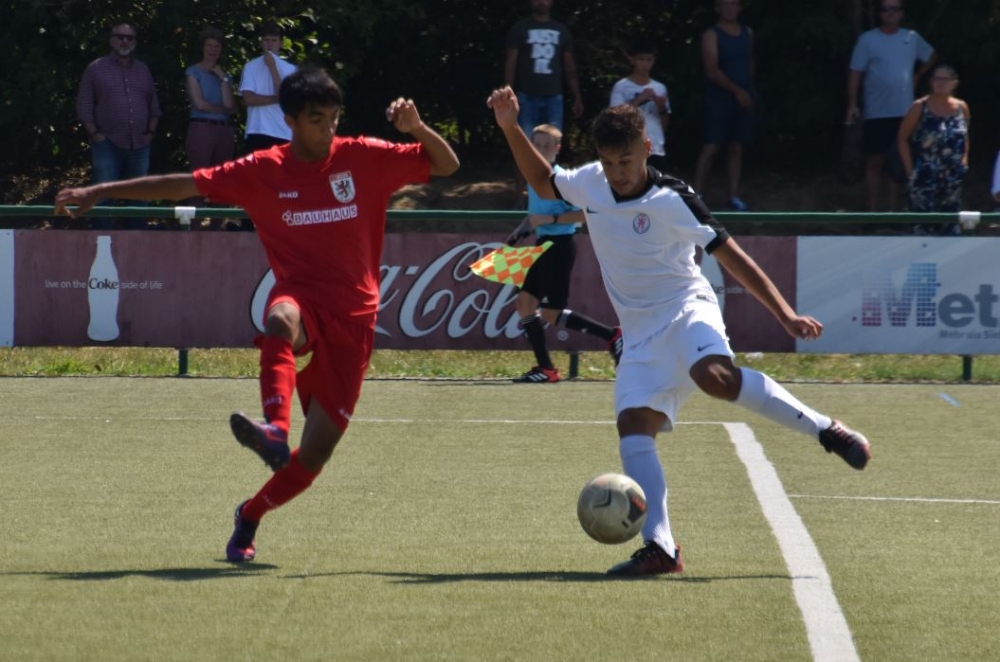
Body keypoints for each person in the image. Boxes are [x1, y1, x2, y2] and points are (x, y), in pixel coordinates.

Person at [55, 67, 460, 563]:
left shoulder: (363, 156)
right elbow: (181, 185)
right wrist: (98, 192)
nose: (328, 128)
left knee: (314, 458)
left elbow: (446, 164)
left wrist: (417, 128)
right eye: (316, 120)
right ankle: (274, 428)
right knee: (280, 320)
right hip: (301, 296)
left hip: (355, 320)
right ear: (290, 120)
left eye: (333, 118)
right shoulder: (262, 170)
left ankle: (249, 515)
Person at [488, 87, 871, 577]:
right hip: (639, 333)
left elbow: (731, 255)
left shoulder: (673, 199)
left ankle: (825, 429)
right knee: (634, 427)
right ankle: (662, 548)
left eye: (626, 161)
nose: (617, 172)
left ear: (647, 149)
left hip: (687, 307)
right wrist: (509, 126)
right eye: (609, 162)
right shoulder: (590, 182)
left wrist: (785, 314)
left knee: (715, 377)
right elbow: (543, 180)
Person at [505, 124, 622, 384]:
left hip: (559, 246)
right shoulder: (534, 177)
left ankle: (612, 336)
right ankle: (546, 369)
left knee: (550, 312)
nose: (542, 150)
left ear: (557, 149)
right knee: (525, 305)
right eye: (537, 145)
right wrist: (519, 232)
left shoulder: (560, 180)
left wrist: (552, 219)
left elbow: (586, 213)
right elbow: (534, 215)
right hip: (543, 245)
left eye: (548, 146)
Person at [846, 1, 935, 212]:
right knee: (875, 161)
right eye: (885, 9)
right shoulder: (868, 39)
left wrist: (918, 74)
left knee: (897, 164)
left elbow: (931, 55)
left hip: (904, 111)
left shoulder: (911, 37)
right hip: (876, 111)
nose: (890, 13)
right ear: (880, 14)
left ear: (901, 13)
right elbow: (855, 71)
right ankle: (872, 212)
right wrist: (852, 103)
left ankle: (893, 212)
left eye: (895, 9)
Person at [75, 22, 162, 230]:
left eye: (129, 37)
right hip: (107, 143)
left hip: (139, 143)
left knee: (139, 196)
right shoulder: (96, 68)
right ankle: (102, 239)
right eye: (120, 36)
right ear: (111, 40)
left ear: (135, 42)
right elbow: (84, 105)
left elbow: (154, 105)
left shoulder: (143, 70)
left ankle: (137, 239)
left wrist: (150, 132)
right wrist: (95, 134)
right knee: (103, 195)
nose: (125, 41)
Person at [504, 0, 584, 207]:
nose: (541, 2)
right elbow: (511, 62)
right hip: (525, 96)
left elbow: (569, 67)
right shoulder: (520, 28)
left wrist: (577, 96)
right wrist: (507, 92)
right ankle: (521, 196)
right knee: (523, 145)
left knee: (551, 146)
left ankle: (550, 195)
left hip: (553, 96)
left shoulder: (561, 31)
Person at [692, 0, 756, 212]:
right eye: (725, 4)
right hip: (720, 97)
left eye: (734, 4)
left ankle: (733, 196)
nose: (730, 8)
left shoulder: (748, 32)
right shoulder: (711, 35)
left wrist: (748, 91)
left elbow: (750, 62)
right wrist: (737, 91)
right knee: (712, 145)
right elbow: (712, 70)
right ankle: (696, 194)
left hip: (744, 97)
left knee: (736, 146)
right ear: (718, 8)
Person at [897, 65, 970, 235]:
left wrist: (964, 161)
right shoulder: (919, 107)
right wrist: (910, 171)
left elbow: (965, 136)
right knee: (924, 229)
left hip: (951, 178)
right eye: (937, 78)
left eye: (945, 79)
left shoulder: (962, 107)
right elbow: (902, 139)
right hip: (924, 178)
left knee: (950, 227)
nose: (940, 83)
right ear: (931, 82)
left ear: (954, 83)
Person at [184, 26, 237, 227]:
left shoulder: (224, 75)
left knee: (222, 180)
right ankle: (193, 228)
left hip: (224, 131)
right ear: (203, 47)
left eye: (217, 46)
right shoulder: (193, 71)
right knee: (199, 179)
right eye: (209, 46)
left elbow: (231, 105)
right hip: (201, 128)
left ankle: (216, 228)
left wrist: (222, 78)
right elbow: (200, 104)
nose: (213, 50)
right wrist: (223, 110)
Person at [609, 38, 671, 173]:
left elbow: (664, 124)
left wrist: (661, 107)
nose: (645, 64)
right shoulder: (622, 86)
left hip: (655, 147)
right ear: (633, 60)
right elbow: (615, 118)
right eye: (641, 59)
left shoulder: (660, 88)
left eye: (649, 60)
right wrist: (639, 99)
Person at [239, 21, 297, 153]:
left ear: (281, 43)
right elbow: (248, 99)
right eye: (266, 40)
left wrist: (272, 67)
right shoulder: (250, 67)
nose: (270, 45)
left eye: (274, 41)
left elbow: (287, 100)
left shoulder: (291, 69)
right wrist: (277, 99)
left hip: (283, 133)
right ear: (261, 42)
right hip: (257, 130)